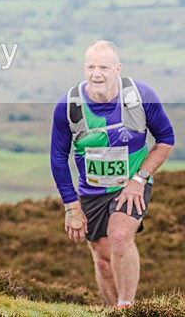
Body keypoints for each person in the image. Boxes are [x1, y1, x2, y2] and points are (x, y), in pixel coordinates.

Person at [50, 40, 175, 309]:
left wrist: (139, 179)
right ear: (84, 69)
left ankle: (126, 307)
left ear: (117, 68)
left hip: (131, 183)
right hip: (92, 191)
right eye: (91, 66)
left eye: (104, 67)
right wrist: (72, 207)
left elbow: (166, 140)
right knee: (103, 258)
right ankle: (112, 311)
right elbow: (58, 158)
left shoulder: (141, 96)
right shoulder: (68, 106)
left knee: (119, 237)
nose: (97, 74)